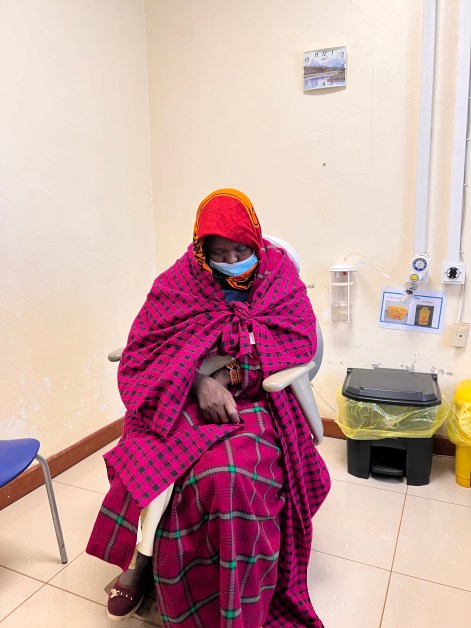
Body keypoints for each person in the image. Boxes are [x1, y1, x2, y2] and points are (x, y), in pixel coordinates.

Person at [86, 188, 330, 627]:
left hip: (257, 398)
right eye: (219, 253)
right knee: (154, 452)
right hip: (179, 391)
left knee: (227, 477)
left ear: (255, 241)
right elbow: (146, 347)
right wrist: (198, 383)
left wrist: (231, 377)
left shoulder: (279, 277)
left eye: (241, 251)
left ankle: (236, 598)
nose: (232, 260)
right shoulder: (179, 282)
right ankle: (142, 561)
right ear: (202, 249)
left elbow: (299, 342)